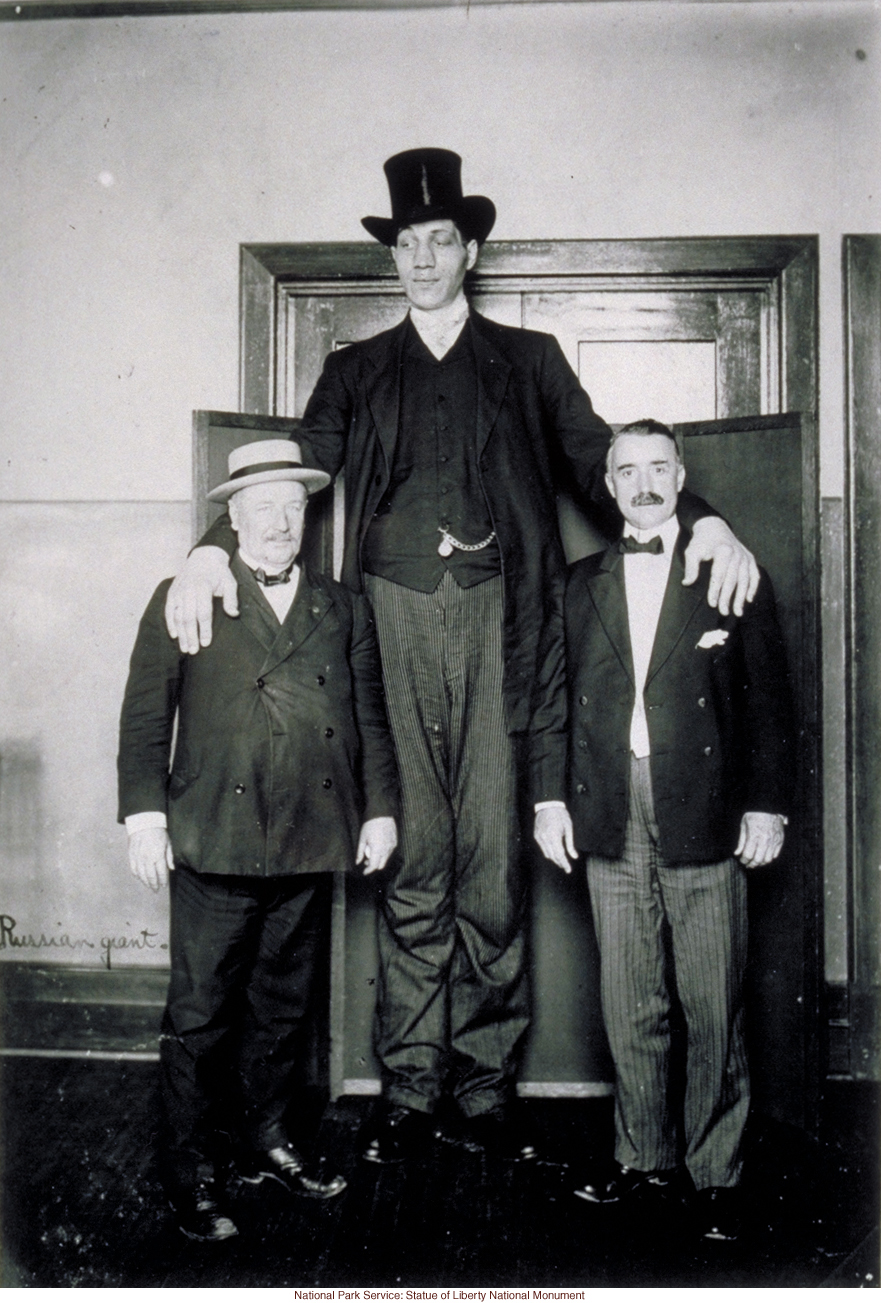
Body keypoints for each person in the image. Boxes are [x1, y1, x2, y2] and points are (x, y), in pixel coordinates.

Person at [163, 150, 759, 1165]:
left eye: (442, 240)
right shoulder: (354, 371)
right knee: (414, 859)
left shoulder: (528, 361)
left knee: (489, 863)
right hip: (389, 627)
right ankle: (410, 1084)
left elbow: (609, 462)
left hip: (499, 628)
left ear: (469, 249)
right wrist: (205, 556)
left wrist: (704, 523)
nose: (425, 259)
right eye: (408, 244)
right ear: (394, 258)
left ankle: (482, 1087)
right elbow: (287, 479)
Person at [118, 439, 399, 1241]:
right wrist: (144, 815)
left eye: (292, 506)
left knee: (282, 1007)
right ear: (231, 518)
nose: (278, 522)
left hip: (312, 833)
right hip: (215, 834)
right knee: (201, 1011)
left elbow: (369, 716)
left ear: (305, 516)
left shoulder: (341, 605)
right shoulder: (186, 592)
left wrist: (378, 809)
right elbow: (147, 715)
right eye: (261, 506)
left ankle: (266, 1137)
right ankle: (189, 1166)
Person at [534, 419, 793, 1241]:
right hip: (607, 805)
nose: (642, 483)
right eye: (626, 471)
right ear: (607, 485)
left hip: (706, 805)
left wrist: (766, 803)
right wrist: (548, 801)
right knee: (628, 994)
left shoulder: (729, 569)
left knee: (711, 996)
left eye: (657, 467)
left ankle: (714, 1171)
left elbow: (769, 704)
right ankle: (639, 1154)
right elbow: (547, 707)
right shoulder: (578, 585)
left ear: (681, 476)